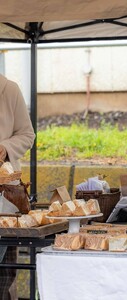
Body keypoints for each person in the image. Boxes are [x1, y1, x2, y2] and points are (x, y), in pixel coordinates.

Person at [0, 74, 35, 300]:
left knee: (4, 271)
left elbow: (27, 134)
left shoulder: (9, 90)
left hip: (5, 197)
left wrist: (5, 148)